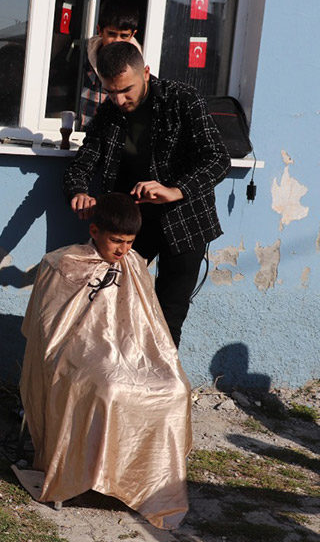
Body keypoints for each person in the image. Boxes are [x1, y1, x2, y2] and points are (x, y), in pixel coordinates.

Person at [19, 193, 191, 529]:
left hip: (132, 353)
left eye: (129, 242)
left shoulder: (135, 265)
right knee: (110, 388)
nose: (122, 250)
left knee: (175, 388)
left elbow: (150, 327)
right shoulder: (62, 263)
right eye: (116, 240)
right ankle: (89, 476)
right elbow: (47, 331)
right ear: (95, 231)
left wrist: (142, 358)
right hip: (77, 353)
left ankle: (151, 484)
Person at [63, 41, 229, 347]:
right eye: (110, 92)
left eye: (126, 89)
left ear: (147, 74)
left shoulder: (182, 99)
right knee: (109, 302)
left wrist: (174, 190)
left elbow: (218, 159)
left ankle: (161, 392)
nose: (119, 99)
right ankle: (116, 385)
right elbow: (84, 161)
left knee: (169, 315)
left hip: (185, 222)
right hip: (132, 224)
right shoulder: (108, 111)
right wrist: (79, 191)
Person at [78, 0, 141, 129]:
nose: (117, 41)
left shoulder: (139, 67)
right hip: (80, 135)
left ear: (133, 35)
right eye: (111, 34)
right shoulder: (82, 57)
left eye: (124, 36)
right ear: (99, 31)